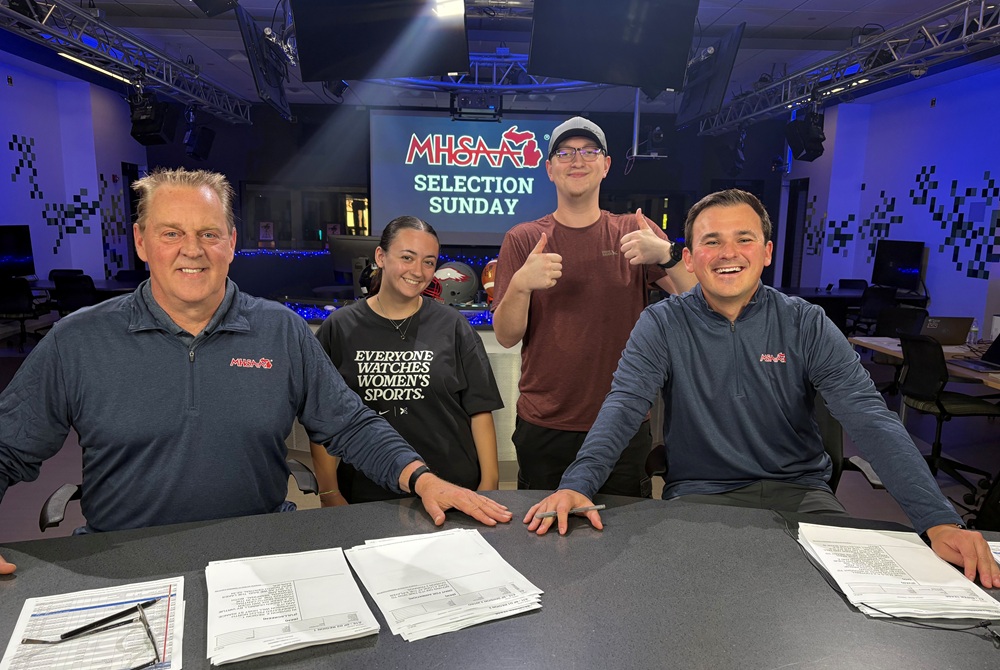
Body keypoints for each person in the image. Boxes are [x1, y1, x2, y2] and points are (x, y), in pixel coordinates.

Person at [0, 168, 511, 575]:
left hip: (261, 555)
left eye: (208, 233)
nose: (192, 249)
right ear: (141, 241)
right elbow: (7, 447)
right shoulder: (78, 339)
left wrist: (420, 479)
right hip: (124, 560)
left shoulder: (281, 332)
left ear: (231, 241)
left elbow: (351, 425)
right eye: (171, 233)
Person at [525, 189, 999, 587]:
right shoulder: (662, 323)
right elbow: (624, 405)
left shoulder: (806, 322)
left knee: (847, 605)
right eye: (711, 241)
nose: (728, 253)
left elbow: (870, 420)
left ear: (767, 252)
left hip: (803, 494)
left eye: (744, 239)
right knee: (684, 604)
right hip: (699, 497)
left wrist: (938, 519)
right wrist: (577, 485)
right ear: (689, 257)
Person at [491, 116, 696, 497]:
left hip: (623, 419)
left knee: (624, 541)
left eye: (589, 151)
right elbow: (505, 336)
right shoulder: (523, 239)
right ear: (549, 169)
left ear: (606, 165)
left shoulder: (634, 231)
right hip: (545, 423)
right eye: (565, 153)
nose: (577, 161)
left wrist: (667, 255)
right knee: (540, 539)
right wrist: (520, 285)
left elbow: (700, 303)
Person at [309, 216, 502, 505]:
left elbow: (480, 410)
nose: (418, 271)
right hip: (367, 493)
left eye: (428, 262)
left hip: (454, 489)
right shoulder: (339, 329)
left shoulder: (454, 326)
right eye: (407, 257)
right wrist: (329, 491)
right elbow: (323, 418)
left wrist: (489, 483)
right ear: (380, 256)